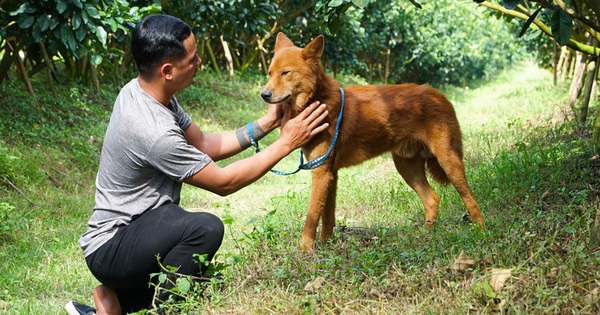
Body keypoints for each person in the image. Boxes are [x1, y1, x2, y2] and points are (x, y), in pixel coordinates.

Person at [66, 14, 329, 315]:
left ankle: (115, 303)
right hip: (113, 246)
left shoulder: (146, 92)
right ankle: (142, 306)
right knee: (204, 230)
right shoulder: (152, 130)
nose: (200, 61)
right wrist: (286, 143)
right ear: (167, 70)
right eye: (192, 59)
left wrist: (267, 124)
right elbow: (223, 182)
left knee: (204, 279)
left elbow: (204, 145)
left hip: (136, 227)